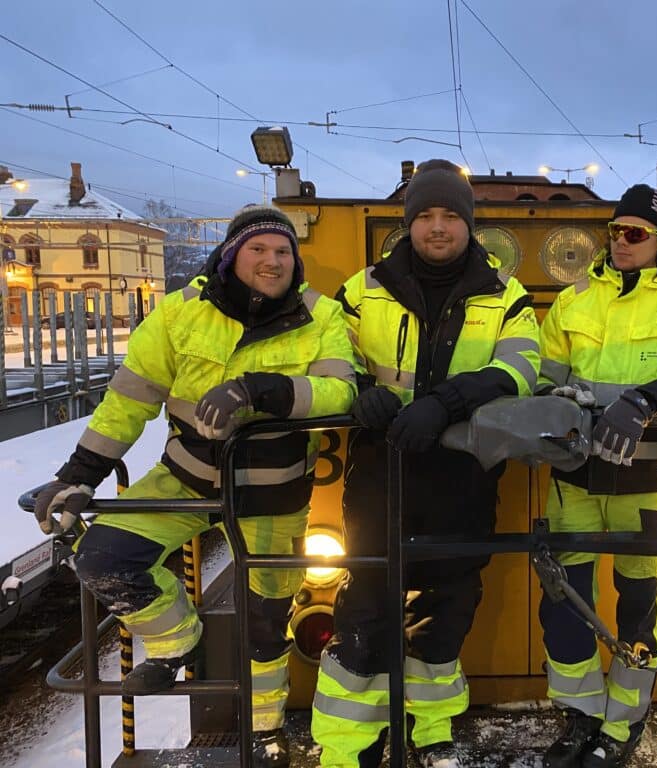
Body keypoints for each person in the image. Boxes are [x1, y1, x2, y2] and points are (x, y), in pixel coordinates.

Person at [33, 205, 358, 768]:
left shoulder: (321, 315)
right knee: (104, 556)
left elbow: (340, 393)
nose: (273, 260)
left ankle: (265, 729)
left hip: (275, 492)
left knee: (266, 622)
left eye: (283, 252)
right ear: (232, 255)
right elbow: (128, 402)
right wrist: (76, 475)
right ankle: (174, 641)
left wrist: (259, 389)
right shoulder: (179, 314)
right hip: (186, 477)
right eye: (259, 249)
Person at [311, 159, 541, 768]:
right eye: (425, 216)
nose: (438, 228)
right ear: (408, 224)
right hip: (381, 479)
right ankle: (344, 750)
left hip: (463, 481)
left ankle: (430, 731)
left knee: (447, 612)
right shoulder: (362, 290)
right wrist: (364, 390)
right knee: (365, 612)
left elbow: (521, 369)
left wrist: (445, 403)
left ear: (469, 225)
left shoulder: (506, 295)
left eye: (450, 216)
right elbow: (332, 355)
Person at [536, 184, 657, 768]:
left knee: (640, 605)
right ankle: (580, 716)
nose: (621, 242)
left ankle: (623, 725)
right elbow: (543, 379)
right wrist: (556, 401)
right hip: (575, 482)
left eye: (635, 233)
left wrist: (643, 401)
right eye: (615, 231)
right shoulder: (573, 302)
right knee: (563, 602)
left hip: (646, 486)